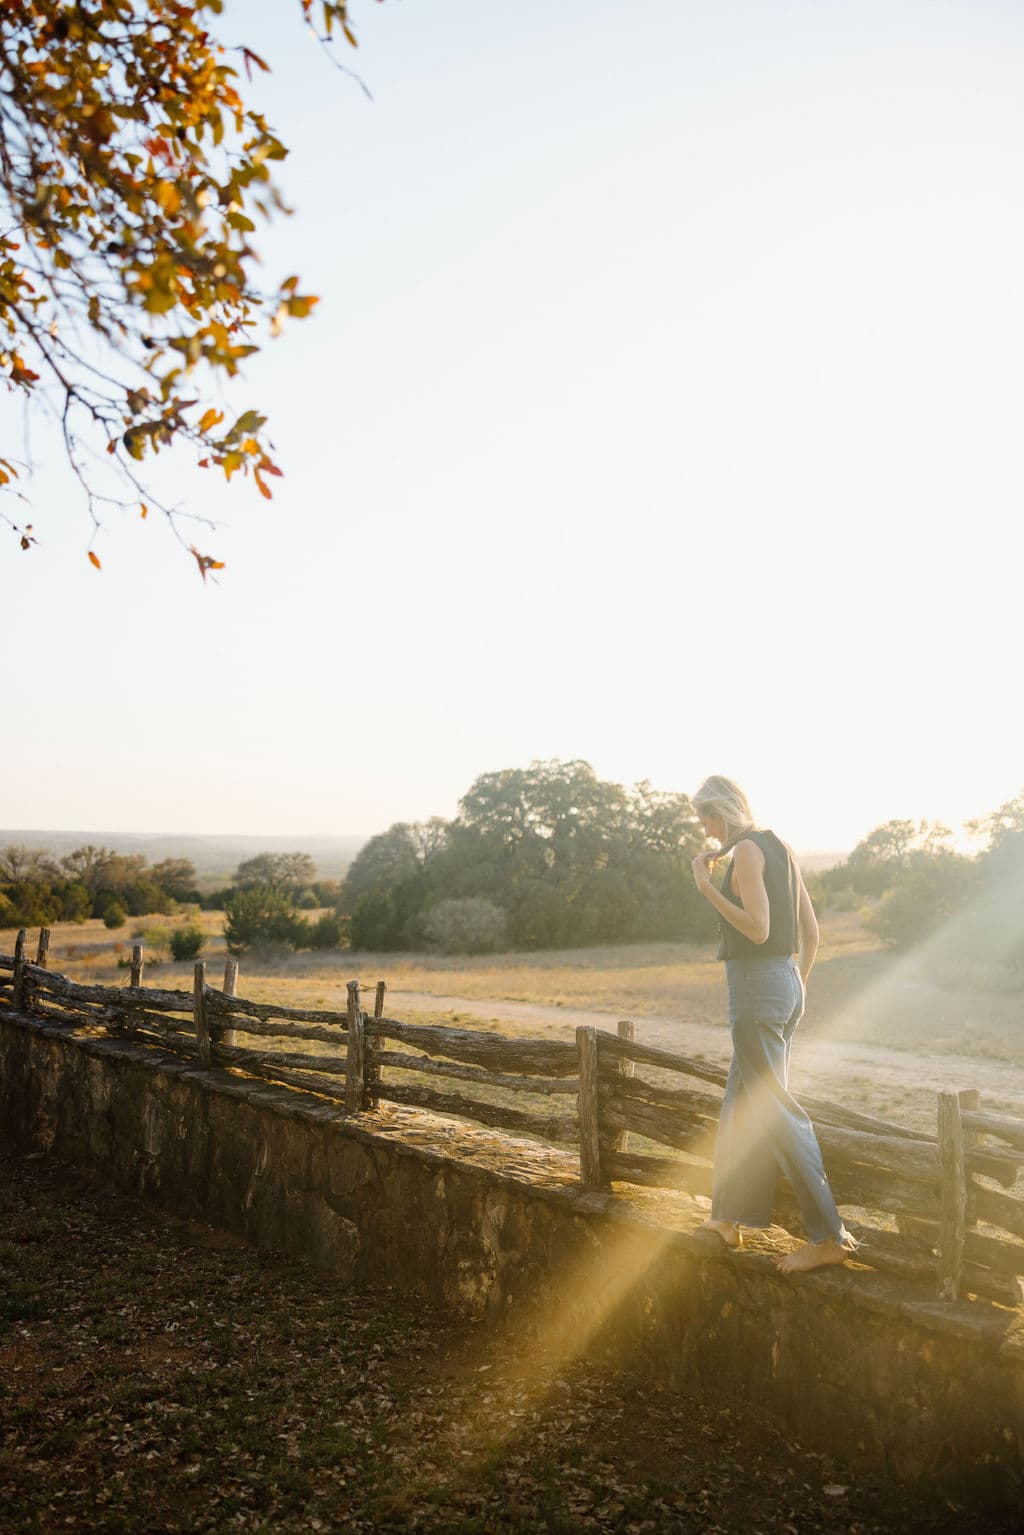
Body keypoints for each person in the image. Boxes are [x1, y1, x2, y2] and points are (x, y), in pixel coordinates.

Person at [688, 775, 858, 1273]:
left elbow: (758, 928)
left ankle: (829, 1236)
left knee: (776, 1109)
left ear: (722, 812)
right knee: (738, 1103)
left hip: (756, 987)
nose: (706, 831)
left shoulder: (744, 852)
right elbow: (813, 933)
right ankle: (726, 1220)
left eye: (706, 820)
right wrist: (797, 984)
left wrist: (706, 889)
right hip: (784, 984)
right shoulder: (780, 845)